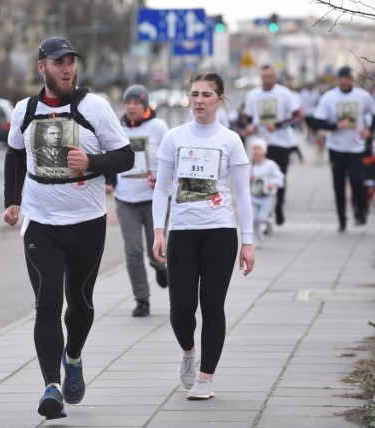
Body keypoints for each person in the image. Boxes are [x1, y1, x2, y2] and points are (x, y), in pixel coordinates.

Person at [3, 36, 134, 420]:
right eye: (59, 62)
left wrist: (92, 162)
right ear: (41, 66)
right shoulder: (24, 110)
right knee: (47, 304)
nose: (67, 68)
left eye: (71, 62)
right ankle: (51, 386)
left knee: (79, 304)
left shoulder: (95, 107)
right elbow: (14, 154)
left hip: (87, 225)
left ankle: (72, 357)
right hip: (40, 225)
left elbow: (125, 156)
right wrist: (12, 201)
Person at [152, 71, 255, 401]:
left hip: (220, 232)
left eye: (206, 95)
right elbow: (162, 189)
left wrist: (248, 241)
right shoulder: (174, 137)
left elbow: (244, 194)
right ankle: (188, 352)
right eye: (194, 94)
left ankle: (206, 378)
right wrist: (158, 230)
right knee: (181, 309)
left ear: (219, 99)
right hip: (182, 232)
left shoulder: (230, 140)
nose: (198, 100)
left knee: (212, 305)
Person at [105, 84, 169, 318]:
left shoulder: (159, 127)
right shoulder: (117, 127)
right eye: (128, 103)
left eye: (136, 103)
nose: (131, 107)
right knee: (133, 250)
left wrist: (162, 180)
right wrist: (110, 179)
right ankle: (142, 299)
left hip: (154, 199)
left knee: (157, 252)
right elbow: (111, 156)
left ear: (145, 105)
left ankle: (161, 268)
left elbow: (171, 157)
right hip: (125, 199)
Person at [308, 66, 375, 231]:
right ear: (337, 80)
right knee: (338, 185)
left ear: (351, 79)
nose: (344, 81)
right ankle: (342, 219)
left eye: (347, 77)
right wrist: (335, 125)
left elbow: (373, 113)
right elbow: (318, 122)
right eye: (341, 78)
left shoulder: (362, 96)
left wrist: (369, 130)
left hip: (356, 148)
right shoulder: (329, 97)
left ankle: (361, 211)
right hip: (336, 148)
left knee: (357, 181)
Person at [243, 64, 303, 226]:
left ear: (274, 77)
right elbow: (249, 118)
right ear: (260, 78)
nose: (267, 80)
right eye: (264, 77)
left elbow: (298, 115)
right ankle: (266, 211)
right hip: (262, 144)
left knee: (279, 176)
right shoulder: (253, 95)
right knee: (260, 177)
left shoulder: (284, 93)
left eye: (270, 77)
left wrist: (278, 125)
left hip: (282, 143)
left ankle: (279, 208)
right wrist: (250, 126)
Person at [249, 138, 284, 246]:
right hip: (254, 196)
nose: (256, 151)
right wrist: (248, 179)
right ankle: (259, 241)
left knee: (262, 218)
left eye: (258, 148)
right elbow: (242, 182)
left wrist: (272, 184)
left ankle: (269, 222)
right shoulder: (250, 167)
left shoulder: (270, 165)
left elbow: (280, 178)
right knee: (254, 220)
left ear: (264, 151)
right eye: (254, 149)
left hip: (266, 197)